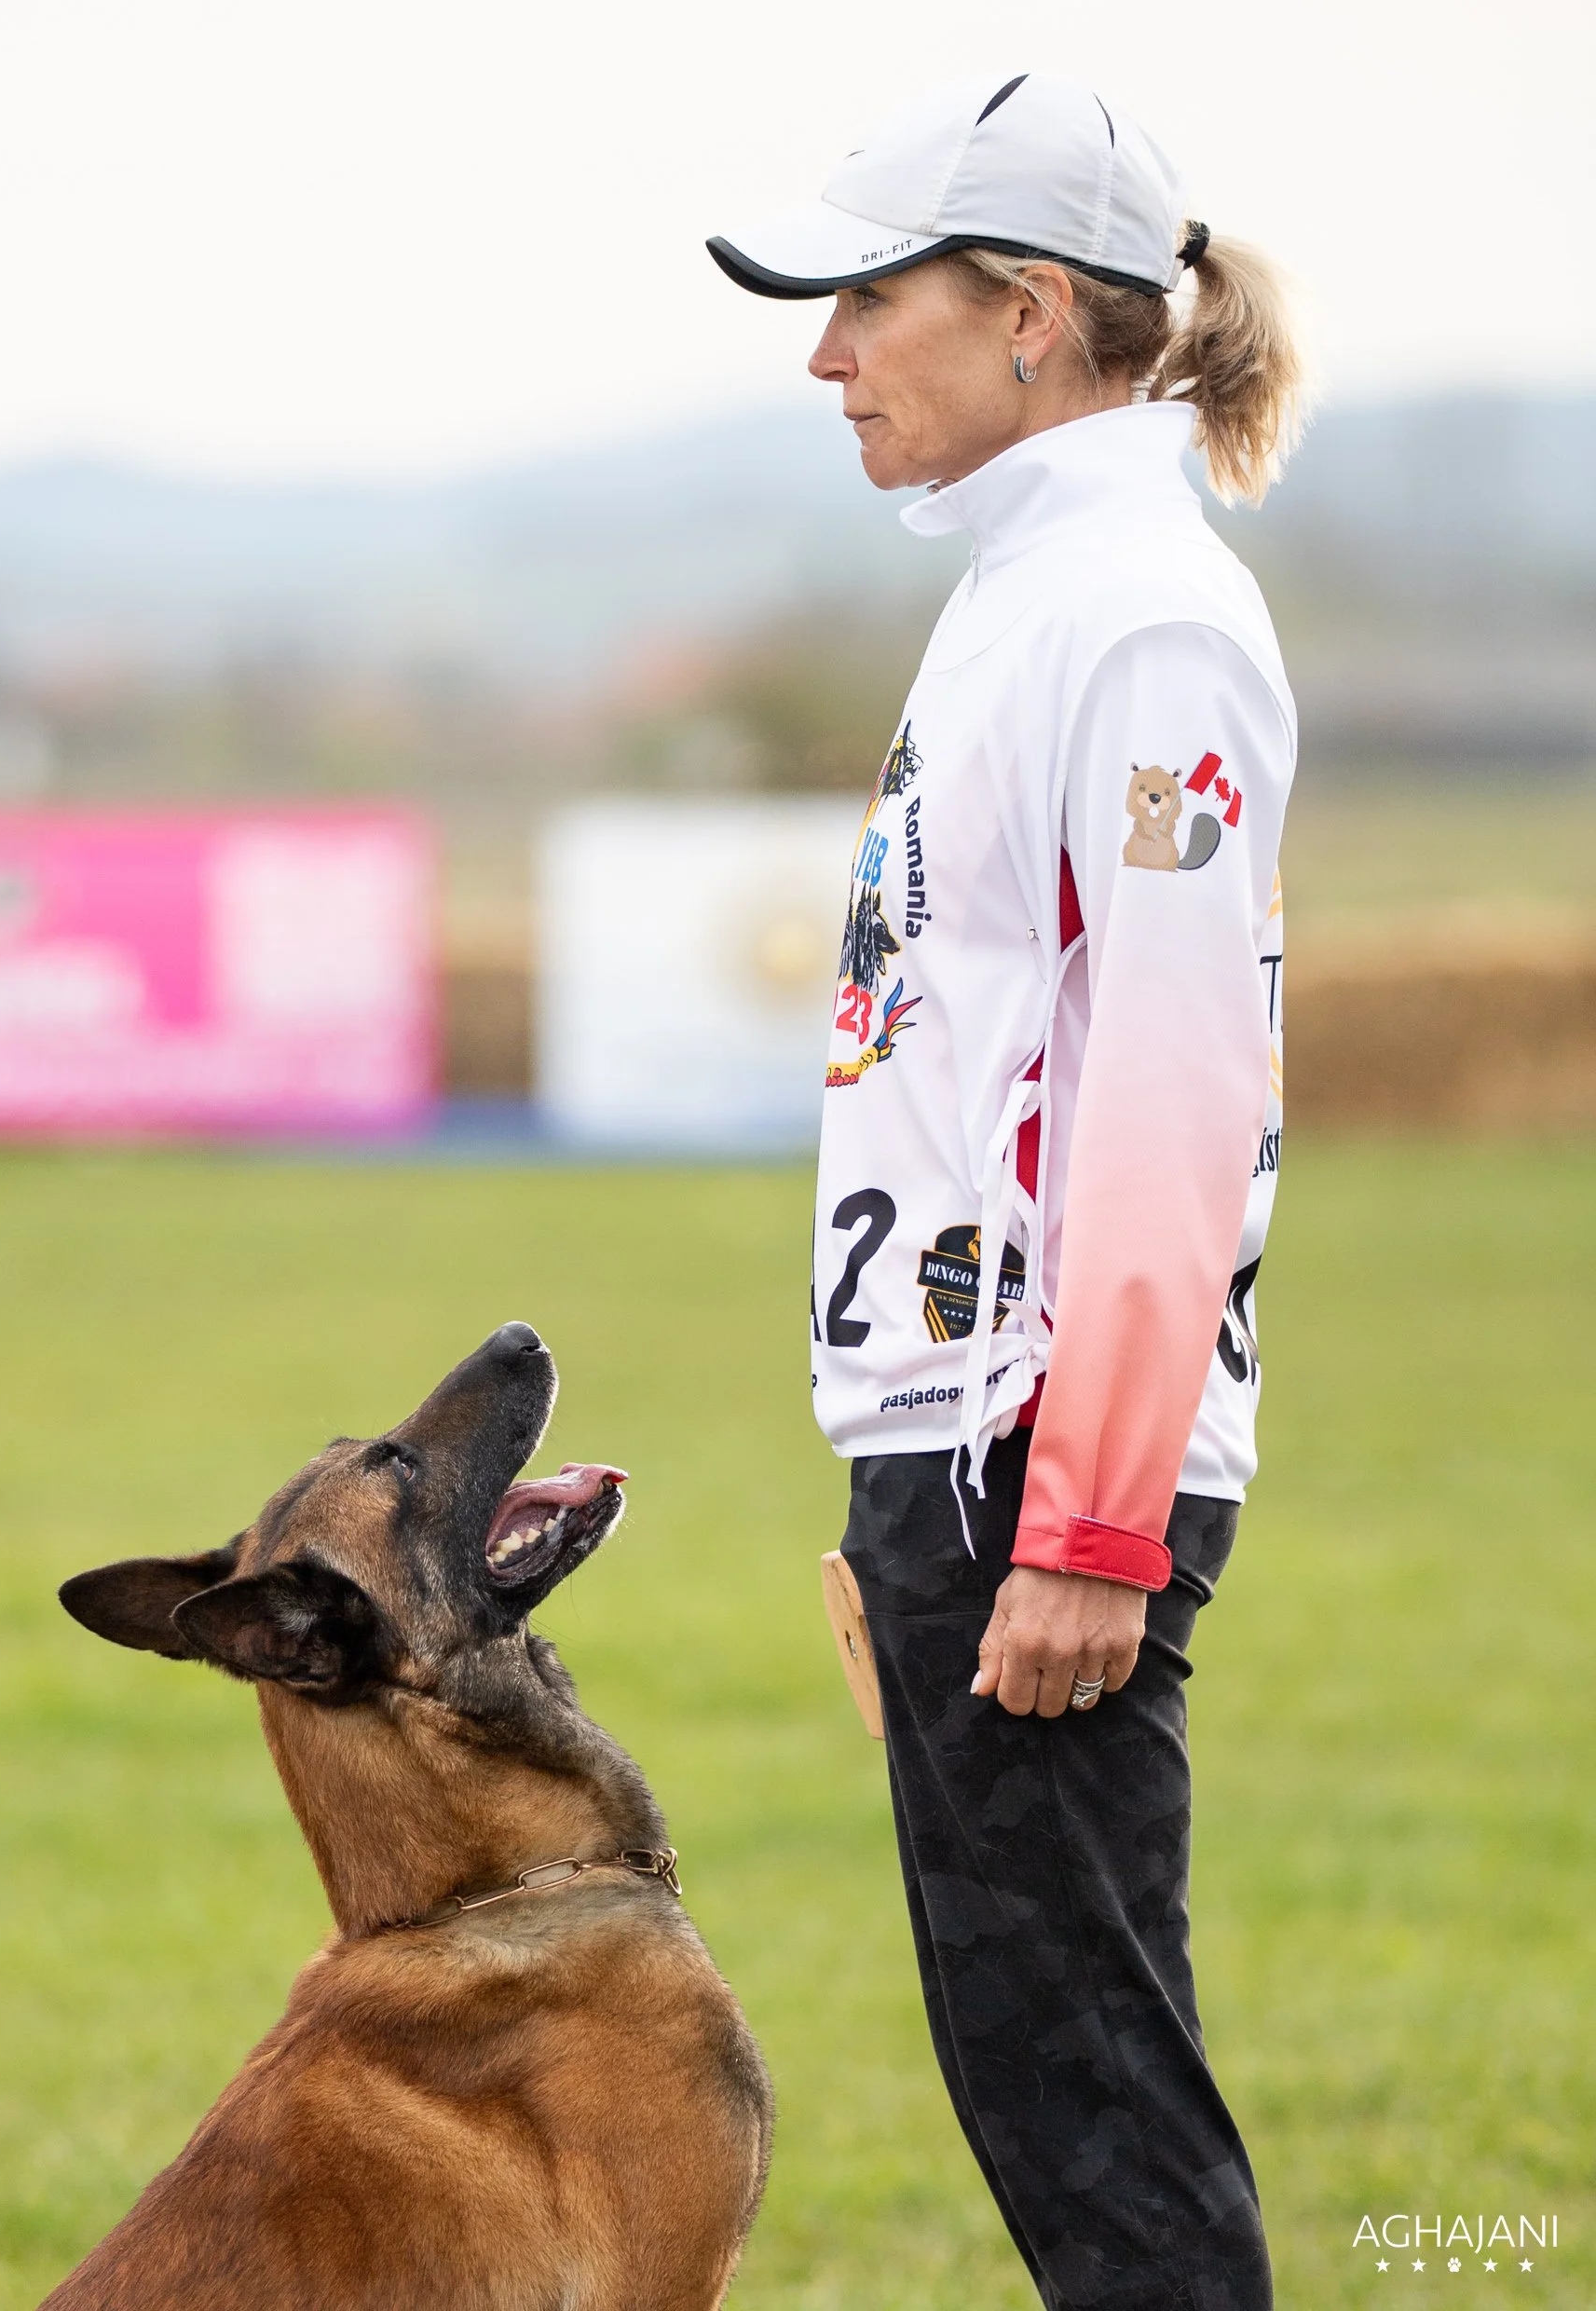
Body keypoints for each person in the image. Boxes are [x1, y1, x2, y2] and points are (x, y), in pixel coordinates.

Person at [708, 71, 1299, 2311]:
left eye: (865, 300)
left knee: (1099, 2131)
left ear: (1032, 314)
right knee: (1046, 2091)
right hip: (956, 1463)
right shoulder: (1032, 586)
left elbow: (1171, 1090)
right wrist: (893, 1474)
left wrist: (1078, 1523)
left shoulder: (1136, 615)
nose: (824, 354)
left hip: (1037, 1478)